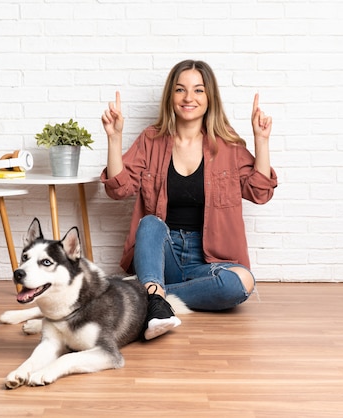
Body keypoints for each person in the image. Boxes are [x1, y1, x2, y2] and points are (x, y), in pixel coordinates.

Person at [100, 59, 278, 341]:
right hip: (163, 253)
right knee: (150, 223)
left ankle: (149, 295)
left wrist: (261, 140)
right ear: (171, 95)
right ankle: (154, 291)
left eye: (198, 90)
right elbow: (118, 189)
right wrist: (114, 138)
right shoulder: (151, 139)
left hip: (208, 258)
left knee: (242, 282)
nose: (188, 98)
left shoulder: (228, 145)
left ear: (210, 98)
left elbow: (260, 192)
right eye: (181, 90)